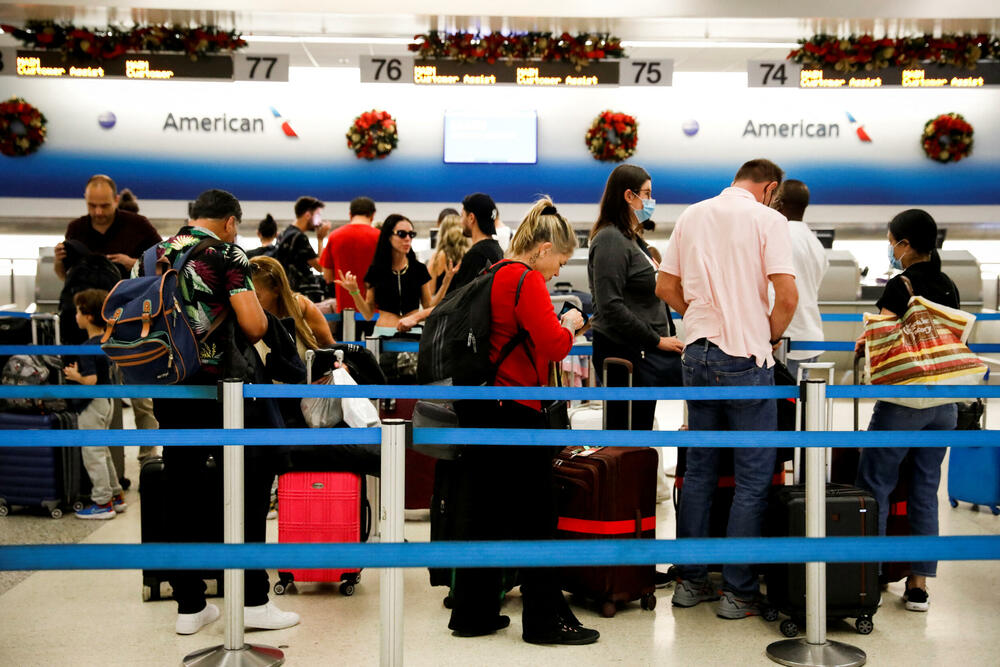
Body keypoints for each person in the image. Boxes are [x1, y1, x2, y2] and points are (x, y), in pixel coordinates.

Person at [138, 189, 298, 635]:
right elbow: (252, 324)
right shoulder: (227, 253)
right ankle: (252, 601)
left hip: (168, 388)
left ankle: (190, 606)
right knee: (248, 487)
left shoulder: (152, 254)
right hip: (222, 393)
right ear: (230, 222)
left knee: (181, 487)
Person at [449, 198, 599, 645]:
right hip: (517, 410)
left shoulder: (491, 273)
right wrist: (570, 324)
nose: (557, 271)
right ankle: (542, 621)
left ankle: (473, 613)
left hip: (482, 406)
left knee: (486, 512)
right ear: (544, 247)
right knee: (537, 514)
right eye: (560, 260)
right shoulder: (525, 278)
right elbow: (553, 346)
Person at [656, 158, 798, 619]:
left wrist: (697, 313)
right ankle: (738, 592)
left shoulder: (693, 214)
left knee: (699, 473)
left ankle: (691, 584)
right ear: (770, 187)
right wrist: (768, 334)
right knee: (752, 481)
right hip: (745, 355)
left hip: (696, 354)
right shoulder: (769, 219)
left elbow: (664, 284)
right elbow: (787, 294)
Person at [853, 209, 959, 613]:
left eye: (891, 240)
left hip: (904, 401)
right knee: (924, 491)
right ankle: (918, 585)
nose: (890, 247)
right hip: (944, 404)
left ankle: (869, 578)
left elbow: (881, 335)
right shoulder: (948, 284)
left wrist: (864, 343)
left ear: (905, 244)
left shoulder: (901, 285)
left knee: (875, 488)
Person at [55, 174, 160, 457]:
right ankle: (113, 473)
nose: (98, 213)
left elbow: (165, 264)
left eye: (104, 206)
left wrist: (134, 263)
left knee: (142, 399)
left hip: (136, 325)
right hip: (91, 331)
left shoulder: (138, 226)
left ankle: (150, 458)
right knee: (102, 400)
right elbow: (67, 279)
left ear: (116, 200)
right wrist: (58, 263)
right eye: (92, 206)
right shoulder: (76, 228)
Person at [588, 164, 684, 433]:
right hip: (625, 355)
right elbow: (610, 305)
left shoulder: (633, 240)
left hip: (642, 354)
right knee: (626, 436)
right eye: (647, 193)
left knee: (639, 433)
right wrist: (657, 340)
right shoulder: (610, 239)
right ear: (629, 196)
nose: (651, 201)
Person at [63, 288, 126, 520]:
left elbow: (90, 381)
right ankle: (116, 495)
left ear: (88, 315)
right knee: (103, 451)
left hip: (92, 403)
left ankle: (102, 502)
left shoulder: (87, 346)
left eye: (78, 312)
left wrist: (74, 376)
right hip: (108, 401)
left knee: (93, 453)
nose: (75, 317)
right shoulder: (107, 341)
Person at [335, 214, 452, 335]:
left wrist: (445, 283)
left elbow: (428, 306)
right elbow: (368, 314)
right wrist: (355, 292)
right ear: (388, 236)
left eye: (411, 234)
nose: (407, 238)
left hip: (414, 333)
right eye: (402, 234)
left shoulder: (419, 269)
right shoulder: (376, 270)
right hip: (383, 334)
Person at [772, 180, 829, 379]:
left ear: (778, 203)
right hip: (810, 335)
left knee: (782, 407)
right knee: (798, 406)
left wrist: (770, 336)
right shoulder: (814, 242)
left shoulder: (779, 235)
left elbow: (779, 294)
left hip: (786, 340)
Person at [250, 255, 335, 358]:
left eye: (256, 297)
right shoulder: (243, 315)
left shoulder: (302, 308)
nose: (249, 304)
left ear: (276, 290)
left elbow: (331, 348)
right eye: (246, 297)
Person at [273, 196, 330, 297]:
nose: (319, 220)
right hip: (300, 294)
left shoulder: (284, 234)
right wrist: (320, 239)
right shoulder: (299, 237)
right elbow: (320, 267)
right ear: (308, 215)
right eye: (317, 215)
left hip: (286, 291)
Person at [447, 193, 504, 294]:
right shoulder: (498, 251)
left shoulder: (475, 255)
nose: (461, 221)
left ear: (471, 218)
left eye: (462, 215)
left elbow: (461, 303)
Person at [428, 214, 469, 293]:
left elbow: (430, 292)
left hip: (443, 303)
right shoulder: (470, 255)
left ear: (442, 232)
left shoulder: (438, 257)